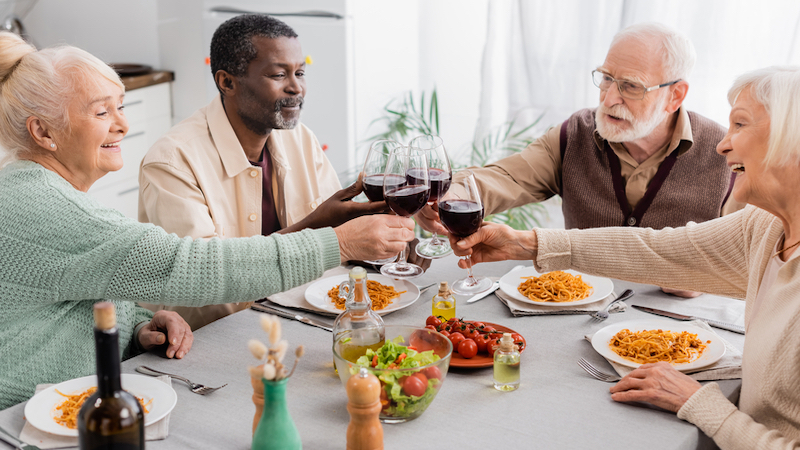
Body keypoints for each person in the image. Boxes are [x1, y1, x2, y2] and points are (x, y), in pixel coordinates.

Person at [0, 32, 414, 409]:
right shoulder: (42, 203)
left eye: (121, 107)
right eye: (101, 112)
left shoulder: (32, 190)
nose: (123, 124)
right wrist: (337, 243)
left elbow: (65, 298)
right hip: (27, 418)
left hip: (67, 401)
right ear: (43, 131)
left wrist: (136, 324)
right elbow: (189, 266)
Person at [449, 66, 800, 449]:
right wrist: (528, 244)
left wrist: (700, 404)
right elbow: (660, 250)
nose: (722, 145)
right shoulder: (766, 227)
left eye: (740, 125)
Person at [137, 14, 423, 329]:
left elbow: (339, 248)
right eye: (278, 74)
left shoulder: (300, 138)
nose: (296, 87)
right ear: (227, 82)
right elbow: (201, 280)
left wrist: (384, 246)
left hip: (294, 321)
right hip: (206, 339)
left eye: (300, 72)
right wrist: (320, 229)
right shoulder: (171, 162)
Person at [418, 22, 744, 298]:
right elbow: (506, 178)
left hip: (681, 335)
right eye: (606, 78)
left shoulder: (727, 157)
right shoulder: (575, 134)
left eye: (630, 86)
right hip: (573, 311)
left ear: (675, 95)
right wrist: (452, 195)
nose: (609, 98)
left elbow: (731, 262)